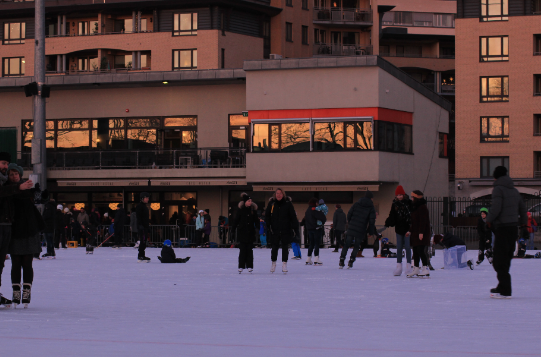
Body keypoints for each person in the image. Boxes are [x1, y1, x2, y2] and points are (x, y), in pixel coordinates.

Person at [5, 163, 43, 308]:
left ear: (20, 175)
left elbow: (38, 200)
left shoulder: (28, 188)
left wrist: (39, 194)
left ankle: (26, 290)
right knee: (15, 263)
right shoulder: (6, 188)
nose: (14, 176)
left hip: (29, 229)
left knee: (27, 263)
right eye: (11, 174)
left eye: (16, 174)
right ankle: (16, 291)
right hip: (14, 229)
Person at [486, 166, 527, 299]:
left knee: (498, 260)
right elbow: (522, 209)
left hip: (502, 228)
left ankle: (505, 289)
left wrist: (488, 220)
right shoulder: (514, 191)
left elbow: (496, 207)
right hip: (513, 228)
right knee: (506, 258)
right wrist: (523, 224)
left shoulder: (498, 189)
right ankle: (502, 285)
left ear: (495, 176)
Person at [265, 188, 299, 273]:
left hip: (286, 229)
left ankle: (284, 264)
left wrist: (295, 229)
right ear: (275, 194)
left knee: (285, 247)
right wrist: (269, 225)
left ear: (283, 194)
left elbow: (293, 217)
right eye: (277, 193)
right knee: (274, 247)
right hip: (274, 229)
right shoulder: (271, 204)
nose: (279, 195)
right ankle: (273, 263)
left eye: (280, 193)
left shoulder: (288, 204)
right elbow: (267, 215)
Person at [340, 191, 377, 269]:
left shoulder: (356, 204)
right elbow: (371, 221)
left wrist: (350, 223)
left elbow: (349, 214)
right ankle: (351, 261)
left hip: (352, 227)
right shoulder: (371, 207)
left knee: (347, 244)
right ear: (371, 198)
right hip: (361, 229)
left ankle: (342, 260)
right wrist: (370, 232)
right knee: (356, 246)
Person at [384, 185, 413, 276]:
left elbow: (412, 214)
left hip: (407, 228)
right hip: (399, 228)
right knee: (399, 248)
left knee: (408, 247)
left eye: (401, 195)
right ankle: (399, 266)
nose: (399, 196)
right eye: (398, 195)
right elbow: (392, 215)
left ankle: (409, 266)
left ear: (403, 195)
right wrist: (388, 222)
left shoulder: (409, 203)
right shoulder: (395, 204)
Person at [231, 193, 260, 273]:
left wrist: (257, 228)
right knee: (243, 250)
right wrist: (233, 230)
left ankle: (250, 266)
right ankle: (241, 266)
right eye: (248, 201)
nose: (250, 202)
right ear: (245, 202)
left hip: (250, 233)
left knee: (249, 250)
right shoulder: (240, 211)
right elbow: (236, 221)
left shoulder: (253, 211)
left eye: (250, 201)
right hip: (242, 233)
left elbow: (256, 220)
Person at [406, 190, 431, 278]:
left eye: (413, 197)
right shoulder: (415, 207)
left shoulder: (422, 207)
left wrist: (421, 232)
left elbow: (423, 221)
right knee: (415, 251)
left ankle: (425, 268)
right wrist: (409, 231)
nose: (411, 198)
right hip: (415, 233)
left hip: (422, 233)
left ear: (416, 198)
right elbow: (414, 222)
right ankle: (416, 268)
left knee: (421, 250)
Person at [304, 198, 327, 266]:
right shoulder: (315, 210)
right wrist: (322, 222)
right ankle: (316, 258)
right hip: (317, 228)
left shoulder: (307, 210)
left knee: (311, 243)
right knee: (317, 243)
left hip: (309, 229)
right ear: (315, 203)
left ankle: (308, 258)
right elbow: (323, 217)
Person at [136, 192, 151, 262]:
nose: (148, 199)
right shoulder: (140, 206)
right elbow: (139, 217)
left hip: (145, 227)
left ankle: (142, 254)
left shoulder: (144, 206)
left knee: (144, 241)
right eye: (146, 198)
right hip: (142, 227)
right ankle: (141, 255)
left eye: (148, 198)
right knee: (143, 241)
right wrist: (140, 225)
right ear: (142, 198)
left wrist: (147, 226)